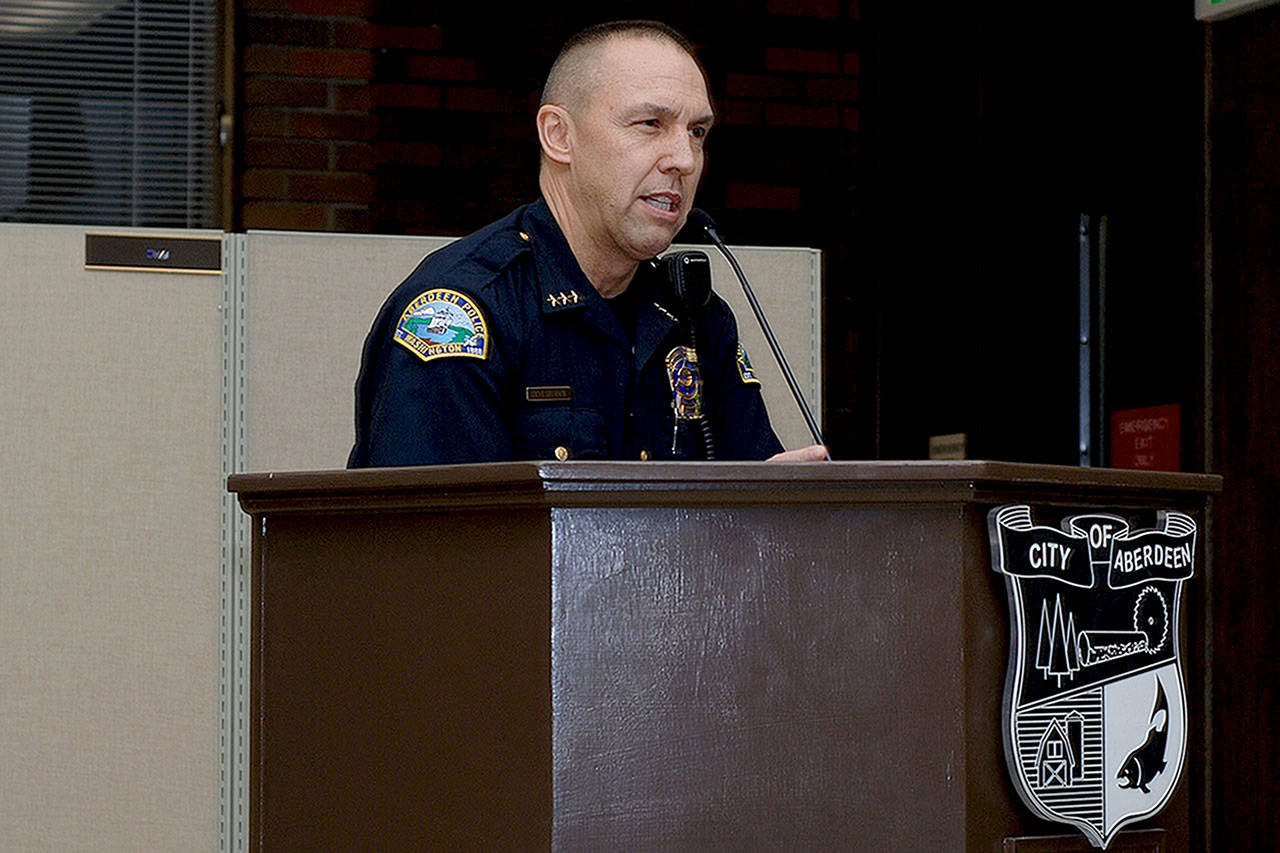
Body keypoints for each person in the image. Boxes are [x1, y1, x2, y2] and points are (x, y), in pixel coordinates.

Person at [348, 20, 826, 467]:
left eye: (697, 132)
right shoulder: (461, 313)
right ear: (559, 136)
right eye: (650, 124)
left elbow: (756, 500)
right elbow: (436, 541)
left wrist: (774, 510)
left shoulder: (696, 319)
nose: (684, 158)